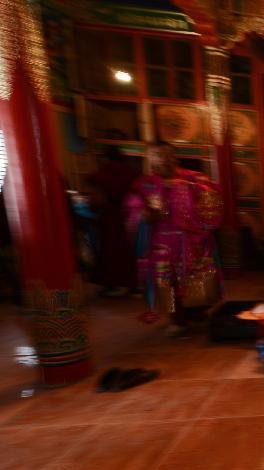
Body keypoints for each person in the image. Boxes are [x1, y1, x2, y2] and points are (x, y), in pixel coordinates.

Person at [125, 142, 223, 336]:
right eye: (153, 157)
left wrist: (183, 190)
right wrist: (142, 213)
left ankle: (197, 314)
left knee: (197, 277)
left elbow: (212, 199)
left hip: (191, 239)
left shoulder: (194, 179)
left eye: (162, 156)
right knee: (165, 281)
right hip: (161, 242)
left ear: (173, 158)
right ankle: (177, 320)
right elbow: (133, 205)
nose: (157, 162)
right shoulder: (145, 183)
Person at [88, 146, 140, 295]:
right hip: (129, 214)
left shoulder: (105, 170)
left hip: (110, 214)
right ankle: (129, 283)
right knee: (127, 249)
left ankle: (111, 283)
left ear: (107, 157)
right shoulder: (130, 171)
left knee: (110, 250)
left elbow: (93, 181)